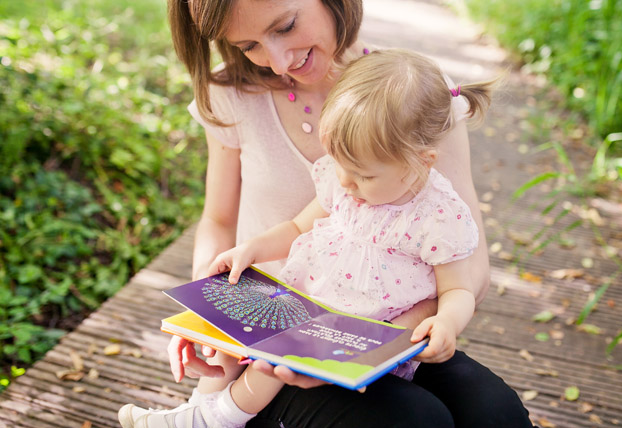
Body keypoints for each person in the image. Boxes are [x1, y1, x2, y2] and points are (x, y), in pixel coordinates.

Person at [121, 0, 533, 426]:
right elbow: (219, 219)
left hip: (394, 324)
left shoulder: (415, 101)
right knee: (413, 422)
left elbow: (469, 265)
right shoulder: (233, 95)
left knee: (495, 413)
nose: (278, 61)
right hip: (268, 339)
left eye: (287, 25)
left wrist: (364, 345)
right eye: (248, 44)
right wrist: (212, 317)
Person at [120, 48, 494, 427]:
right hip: (310, 308)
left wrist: (447, 322)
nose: (346, 183)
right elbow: (297, 228)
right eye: (340, 166)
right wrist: (250, 249)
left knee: (271, 363)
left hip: (366, 337)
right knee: (251, 343)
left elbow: (457, 290)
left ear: (421, 161)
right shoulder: (343, 182)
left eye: (363, 175)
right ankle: (199, 412)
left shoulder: (438, 216)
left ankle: (213, 419)